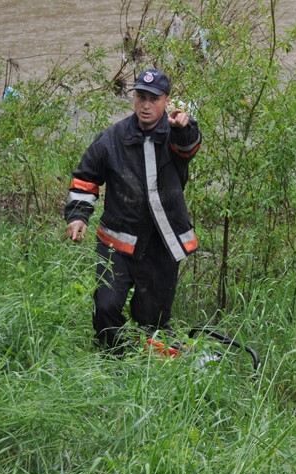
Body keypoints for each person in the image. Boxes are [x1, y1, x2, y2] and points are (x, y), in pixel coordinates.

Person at [64, 68, 202, 353]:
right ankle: (112, 361)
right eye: (140, 97)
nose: (146, 105)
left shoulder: (175, 134)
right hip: (117, 243)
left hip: (163, 244)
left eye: (153, 98)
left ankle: (145, 364)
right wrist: (78, 216)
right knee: (106, 306)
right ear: (134, 98)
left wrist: (184, 125)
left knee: (152, 319)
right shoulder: (111, 139)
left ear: (166, 101)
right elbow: (85, 179)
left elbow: (189, 145)